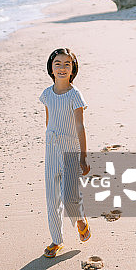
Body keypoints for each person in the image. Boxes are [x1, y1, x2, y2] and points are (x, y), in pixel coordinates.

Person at [39, 47, 91, 258]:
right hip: (51, 149)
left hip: (70, 150)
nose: (62, 68)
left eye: (66, 64)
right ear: (51, 68)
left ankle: (80, 219)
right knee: (52, 197)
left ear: (73, 69)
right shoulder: (46, 94)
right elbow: (48, 120)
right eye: (57, 63)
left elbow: (80, 126)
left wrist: (83, 155)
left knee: (69, 196)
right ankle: (56, 240)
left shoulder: (75, 95)